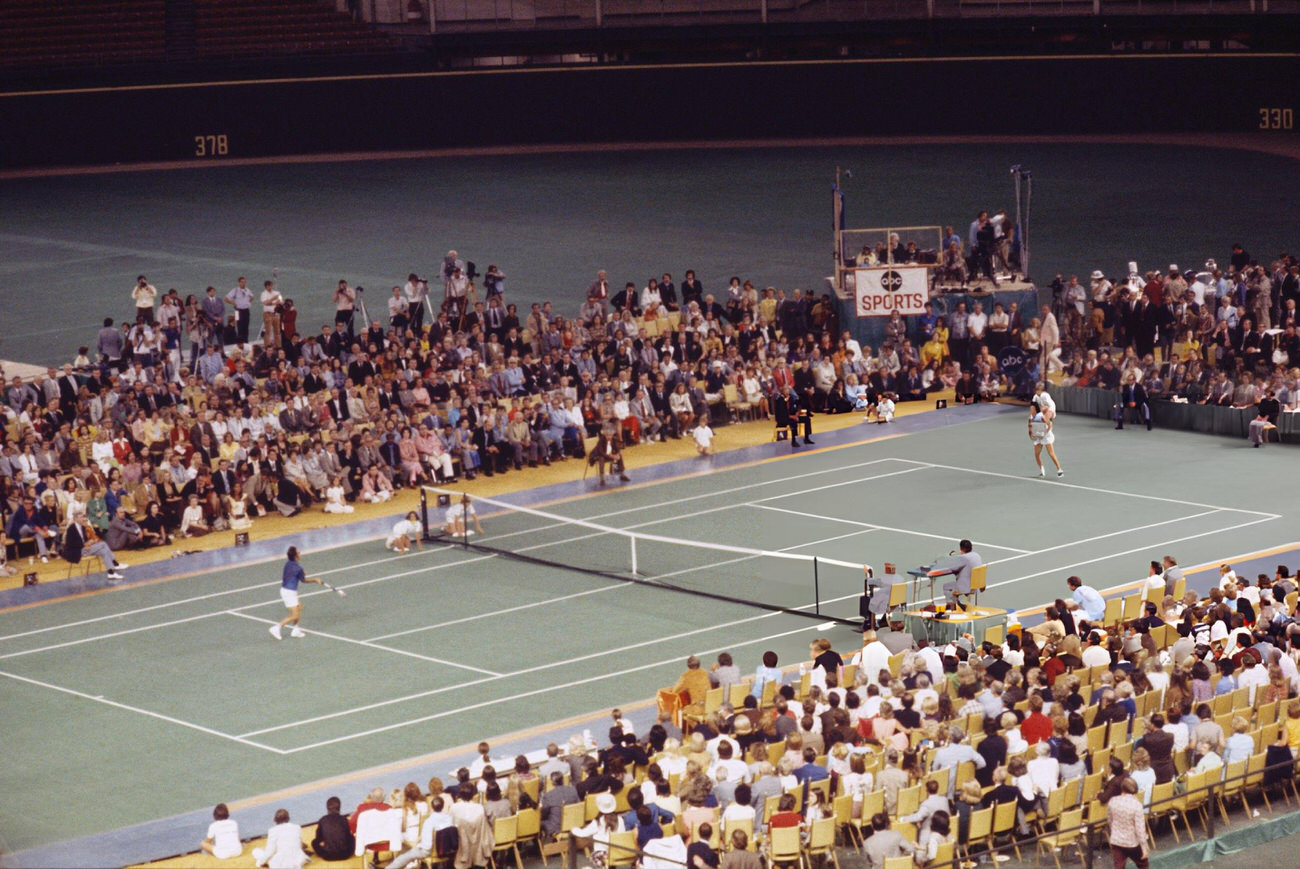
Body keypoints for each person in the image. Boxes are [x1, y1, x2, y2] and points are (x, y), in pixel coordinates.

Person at [271, 545, 322, 640]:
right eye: (298, 552)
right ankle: (276, 628)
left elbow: (292, 574)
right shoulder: (298, 568)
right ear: (295, 556)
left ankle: (295, 630)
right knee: (294, 615)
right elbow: (304, 580)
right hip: (289, 592)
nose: (300, 553)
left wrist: (301, 573)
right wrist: (315, 580)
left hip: (287, 590)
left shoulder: (288, 564)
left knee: (299, 606)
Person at [63, 512, 127, 581]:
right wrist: (84, 545)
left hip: (85, 548)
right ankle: (115, 563)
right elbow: (71, 543)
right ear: (75, 519)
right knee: (103, 544)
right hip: (76, 551)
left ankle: (111, 573)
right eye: (81, 517)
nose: (83, 519)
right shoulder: (71, 529)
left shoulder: (82, 527)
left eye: (83, 517)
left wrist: (90, 542)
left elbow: (85, 540)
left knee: (103, 551)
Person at [1106, 778, 1150, 869]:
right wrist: (1144, 846)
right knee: (1143, 864)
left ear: (1122, 788)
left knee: (1118, 866)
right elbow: (1140, 829)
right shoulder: (1137, 805)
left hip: (1116, 840)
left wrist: (1114, 832)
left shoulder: (1112, 801)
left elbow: (1110, 820)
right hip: (1132, 842)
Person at [310, 796, 355, 861]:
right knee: (352, 837)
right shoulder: (344, 819)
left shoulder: (323, 820)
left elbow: (318, 839)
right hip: (345, 854)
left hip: (328, 855)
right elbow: (348, 837)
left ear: (327, 808)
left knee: (314, 842)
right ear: (339, 808)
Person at [942, 539, 983, 610]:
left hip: (966, 587)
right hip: (977, 586)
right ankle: (958, 603)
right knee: (957, 584)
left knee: (947, 587)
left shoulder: (963, 558)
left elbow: (953, 569)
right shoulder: (977, 555)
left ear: (962, 548)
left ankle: (952, 608)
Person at [1028, 404, 1064, 478]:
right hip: (1038, 436)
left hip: (1046, 436)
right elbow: (1029, 426)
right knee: (1037, 454)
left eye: (1032, 409)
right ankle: (1042, 471)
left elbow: (1050, 425)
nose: (1031, 410)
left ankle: (1059, 470)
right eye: (1030, 409)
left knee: (1051, 453)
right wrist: (1031, 434)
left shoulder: (1044, 416)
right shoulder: (1031, 417)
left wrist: (1045, 433)